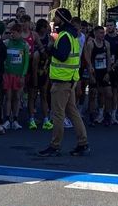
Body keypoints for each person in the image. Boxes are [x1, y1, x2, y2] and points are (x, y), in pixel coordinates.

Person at [38, 8, 89, 157]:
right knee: (73, 112)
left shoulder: (65, 35)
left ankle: (55, 146)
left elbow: (62, 55)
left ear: (62, 18)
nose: (54, 21)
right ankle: (83, 143)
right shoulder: (72, 34)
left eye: (56, 17)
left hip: (62, 80)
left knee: (58, 114)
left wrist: (51, 48)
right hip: (69, 79)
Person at [2, 22, 30, 130]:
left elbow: (26, 62)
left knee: (17, 97)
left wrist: (23, 75)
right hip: (8, 74)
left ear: (20, 33)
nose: (11, 35)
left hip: (19, 75)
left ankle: (16, 119)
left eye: (13, 33)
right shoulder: (6, 43)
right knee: (8, 97)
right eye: (10, 33)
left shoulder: (24, 45)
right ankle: (7, 119)